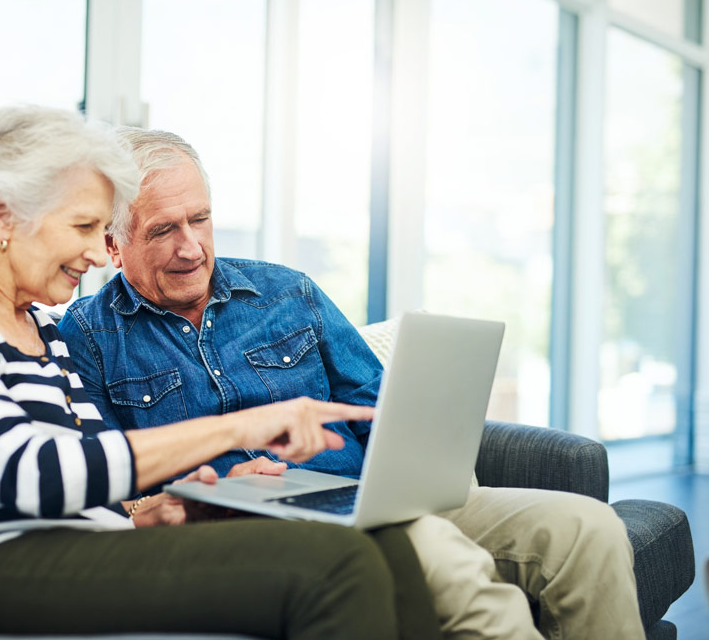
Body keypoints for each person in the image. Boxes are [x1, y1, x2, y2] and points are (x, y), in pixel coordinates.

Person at [0, 104, 443, 639]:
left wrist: (153, 514)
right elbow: (30, 473)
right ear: (2, 214)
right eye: (84, 227)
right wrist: (241, 428)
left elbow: (98, 484)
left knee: (384, 543)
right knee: (336, 564)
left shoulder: (43, 337)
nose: (95, 254)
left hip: (72, 552)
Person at [57, 127, 648, 640]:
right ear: (113, 244)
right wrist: (209, 489)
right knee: (437, 556)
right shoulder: (88, 337)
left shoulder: (290, 292)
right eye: (163, 230)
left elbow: (382, 407)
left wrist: (414, 458)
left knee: (589, 529)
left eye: (201, 219)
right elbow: (111, 487)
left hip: (370, 500)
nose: (192, 247)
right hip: (256, 534)